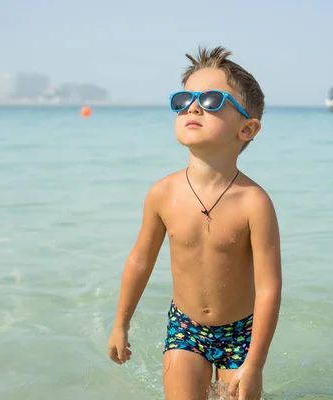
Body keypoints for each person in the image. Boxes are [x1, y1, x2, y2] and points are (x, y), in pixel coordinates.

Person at [107, 46, 282, 400]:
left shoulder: (254, 203)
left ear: (247, 128)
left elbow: (268, 288)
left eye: (213, 99)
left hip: (241, 332)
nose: (194, 106)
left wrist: (255, 363)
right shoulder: (162, 193)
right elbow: (140, 261)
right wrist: (120, 325)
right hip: (186, 327)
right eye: (184, 98)